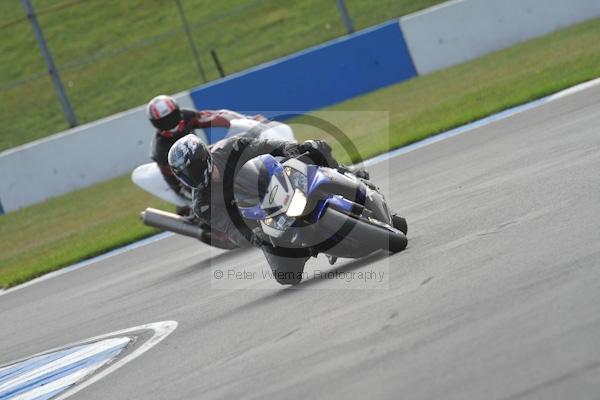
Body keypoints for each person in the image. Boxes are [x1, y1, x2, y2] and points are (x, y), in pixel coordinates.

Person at [167, 133, 359, 284]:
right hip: (262, 220)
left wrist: (287, 147)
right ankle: (314, 245)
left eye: (191, 170)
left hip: (280, 182)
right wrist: (254, 236)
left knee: (314, 147)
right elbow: (231, 228)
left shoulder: (229, 148)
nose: (191, 177)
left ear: (203, 157)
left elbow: (265, 145)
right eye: (185, 175)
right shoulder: (202, 204)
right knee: (286, 276)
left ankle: (349, 174)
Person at [146, 94, 266, 213]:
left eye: (171, 116)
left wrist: (248, 121)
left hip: (201, 156)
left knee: (231, 154)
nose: (170, 122)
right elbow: (176, 182)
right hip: (187, 177)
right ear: (156, 123)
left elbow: (217, 116)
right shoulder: (160, 149)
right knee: (214, 201)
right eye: (164, 120)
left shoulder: (186, 117)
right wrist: (194, 195)